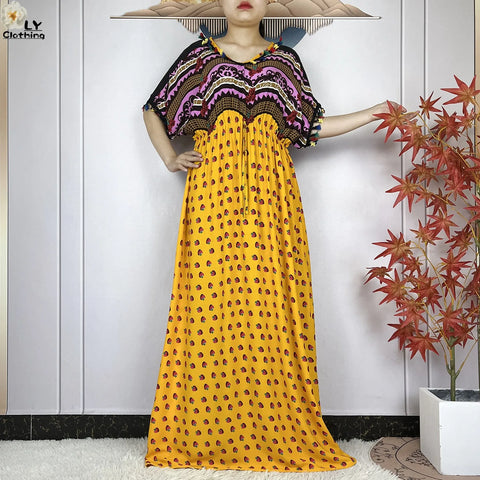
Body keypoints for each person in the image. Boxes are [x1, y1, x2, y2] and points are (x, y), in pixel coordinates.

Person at [142, 0, 399, 472]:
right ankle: (204, 433)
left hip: (272, 199)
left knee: (271, 305)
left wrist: (372, 112)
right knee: (209, 304)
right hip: (211, 198)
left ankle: (274, 426)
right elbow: (153, 110)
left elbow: (311, 125)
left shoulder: (285, 62)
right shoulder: (198, 58)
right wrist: (170, 158)